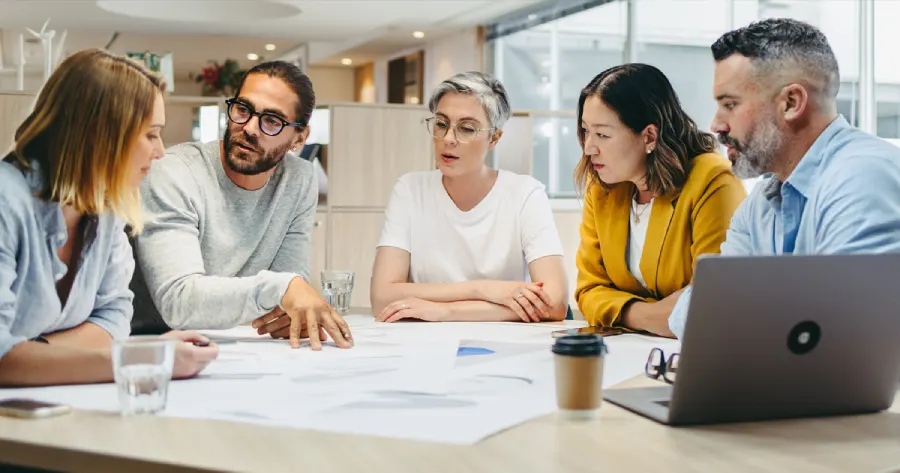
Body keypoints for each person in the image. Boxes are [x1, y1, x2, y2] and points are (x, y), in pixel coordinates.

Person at [668, 18, 900, 339]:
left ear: (791, 103)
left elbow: (842, 332)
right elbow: (692, 315)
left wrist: (742, 306)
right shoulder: (759, 205)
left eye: (730, 105)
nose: (717, 125)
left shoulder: (862, 178)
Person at [0, 49, 218, 386]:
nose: (160, 151)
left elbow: (115, 316)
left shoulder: (106, 211)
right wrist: (144, 357)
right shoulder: (5, 200)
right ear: (100, 135)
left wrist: (32, 355)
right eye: (150, 134)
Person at [131, 61, 353, 351]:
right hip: (153, 347)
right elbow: (179, 302)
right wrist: (282, 289)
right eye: (243, 109)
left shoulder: (300, 179)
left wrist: (287, 302)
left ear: (300, 137)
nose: (249, 128)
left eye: (272, 120)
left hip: (237, 349)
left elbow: (288, 293)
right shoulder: (174, 172)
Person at [371, 71, 569, 323]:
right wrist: (483, 289)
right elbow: (382, 297)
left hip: (505, 344)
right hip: (424, 341)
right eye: (441, 124)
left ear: (494, 138)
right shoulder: (410, 189)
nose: (449, 139)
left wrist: (447, 312)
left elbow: (554, 302)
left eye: (466, 129)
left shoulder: (525, 194)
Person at [573, 64, 746, 337]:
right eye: (585, 131)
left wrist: (617, 309)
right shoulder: (603, 186)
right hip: (628, 351)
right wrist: (648, 315)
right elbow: (588, 289)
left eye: (603, 134)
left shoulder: (713, 181)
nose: (588, 147)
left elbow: (711, 301)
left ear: (649, 136)